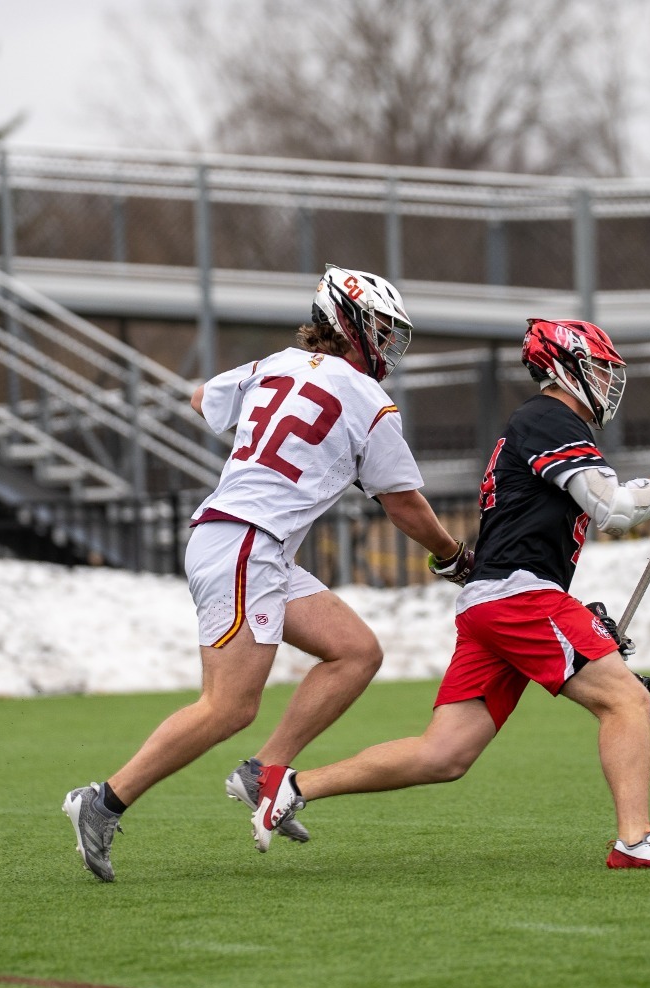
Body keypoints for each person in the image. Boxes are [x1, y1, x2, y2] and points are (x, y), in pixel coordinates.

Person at [240, 318, 650, 868]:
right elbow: (614, 509)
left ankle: (289, 787)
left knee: (444, 753)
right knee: (625, 700)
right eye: (596, 367)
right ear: (563, 368)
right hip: (518, 599)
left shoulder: (542, 424)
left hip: (494, 601)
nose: (608, 381)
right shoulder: (550, 417)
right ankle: (635, 843)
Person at [61, 265, 472, 880]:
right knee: (228, 706)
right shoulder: (368, 398)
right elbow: (405, 504)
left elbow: (202, 398)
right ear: (349, 326)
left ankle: (263, 774)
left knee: (355, 651)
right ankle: (103, 801)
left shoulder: (275, 364)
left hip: (253, 543)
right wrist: (453, 554)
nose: (388, 346)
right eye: (381, 331)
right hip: (245, 545)